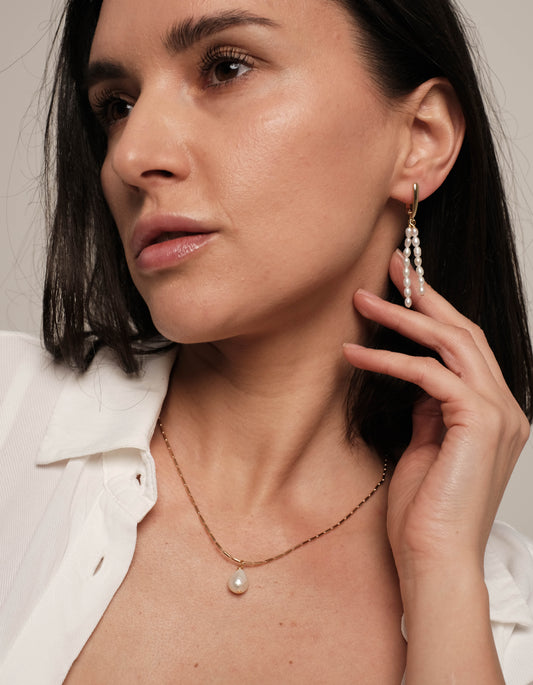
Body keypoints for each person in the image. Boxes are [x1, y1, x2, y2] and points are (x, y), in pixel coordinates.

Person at [1, 0, 533, 682]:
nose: (131, 156)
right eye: (117, 106)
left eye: (225, 68)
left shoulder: (505, 632)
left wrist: (443, 579)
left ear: (420, 138)